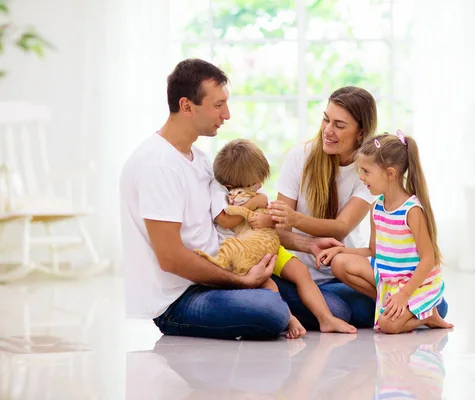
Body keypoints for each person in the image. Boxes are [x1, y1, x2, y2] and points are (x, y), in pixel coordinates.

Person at [119, 58, 341, 340]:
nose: (227, 115)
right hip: (180, 298)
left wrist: (308, 244)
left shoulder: (199, 161)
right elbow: (171, 258)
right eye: (218, 105)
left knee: (339, 307)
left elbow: (236, 225)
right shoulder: (157, 165)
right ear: (187, 106)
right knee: (271, 311)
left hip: (224, 274)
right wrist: (243, 282)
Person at [209, 139, 356, 337]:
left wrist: (266, 215)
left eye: (260, 182)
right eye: (254, 183)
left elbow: (271, 221)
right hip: (247, 253)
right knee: (269, 285)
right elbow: (226, 220)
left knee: (300, 271)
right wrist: (255, 202)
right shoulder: (222, 192)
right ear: (231, 185)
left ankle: (325, 319)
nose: (259, 186)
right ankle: (290, 319)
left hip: (269, 245)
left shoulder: (255, 191)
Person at [317, 131, 454, 333]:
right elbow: (374, 252)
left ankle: (429, 316)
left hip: (416, 283)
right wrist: (340, 251)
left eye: (366, 171)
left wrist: (405, 294)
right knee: (339, 263)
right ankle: (393, 304)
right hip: (389, 278)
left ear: (390, 173)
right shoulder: (377, 207)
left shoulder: (412, 210)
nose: (361, 178)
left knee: (388, 326)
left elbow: (428, 259)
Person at [267, 86, 380, 329]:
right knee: (342, 310)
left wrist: (294, 218)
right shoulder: (300, 157)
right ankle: (312, 307)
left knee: (436, 305)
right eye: (326, 119)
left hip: (341, 274)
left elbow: (340, 229)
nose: (328, 130)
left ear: (360, 133)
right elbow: (277, 230)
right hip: (298, 276)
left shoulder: (369, 171)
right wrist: (305, 240)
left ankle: (319, 308)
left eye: (340, 125)